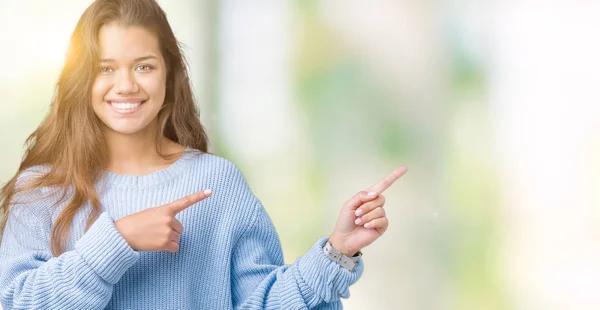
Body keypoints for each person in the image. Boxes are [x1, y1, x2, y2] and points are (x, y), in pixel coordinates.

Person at [0, 0, 407, 309]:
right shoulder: (40, 190)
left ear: (170, 74)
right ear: (81, 79)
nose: (124, 85)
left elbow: (260, 303)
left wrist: (338, 250)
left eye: (143, 67)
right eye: (105, 68)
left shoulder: (216, 183)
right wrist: (118, 240)